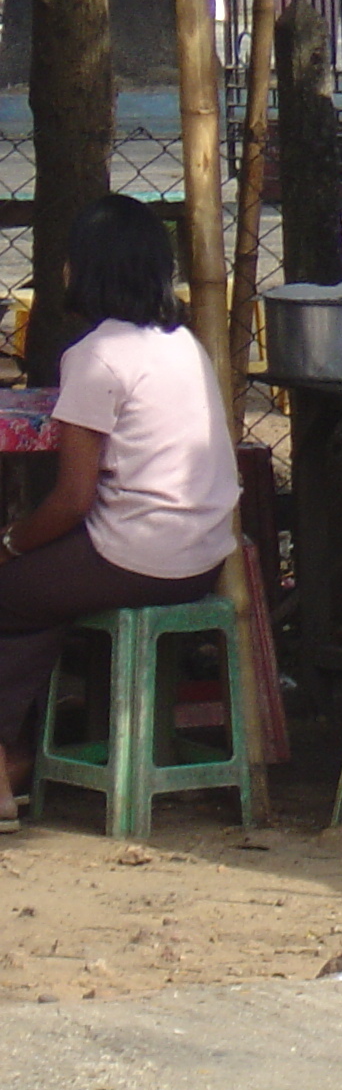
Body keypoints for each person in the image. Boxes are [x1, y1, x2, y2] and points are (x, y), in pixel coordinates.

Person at [0, 197, 241, 831]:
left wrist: (11, 544)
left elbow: (72, 500)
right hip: (202, 555)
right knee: (37, 601)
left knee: (12, 590)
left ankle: (8, 764)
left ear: (80, 272)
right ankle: (13, 763)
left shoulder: (95, 357)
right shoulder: (182, 343)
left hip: (136, 556)